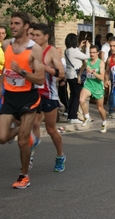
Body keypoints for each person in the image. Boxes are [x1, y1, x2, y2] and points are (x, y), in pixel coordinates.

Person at [0, 12, 45, 189]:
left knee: (22, 142)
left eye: (17, 23)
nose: (13, 26)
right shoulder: (5, 45)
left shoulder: (35, 49)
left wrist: (22, 72)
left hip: (29, 97)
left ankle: (24, 176)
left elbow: (40, 79)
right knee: (2, 137)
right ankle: (24, 131)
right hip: (10, 96)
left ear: (26, 26)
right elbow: (5, 70)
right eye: (11, 23)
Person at [30, 23, 66, 172]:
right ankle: (30, 153)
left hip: (48, 95)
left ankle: (60, 156)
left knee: (51, 129)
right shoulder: (30, 50)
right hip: (32, 93)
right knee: (33, 124)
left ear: (46, 37)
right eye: (33, 35)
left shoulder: (51, 52)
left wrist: (44, 67)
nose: (34, 38)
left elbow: (61, 73)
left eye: (37, 35)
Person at [79, 45, 107, 133]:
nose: (92, 54)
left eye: (94, 52)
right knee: (81, 100)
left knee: (100, 108)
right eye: (91, 52)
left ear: (98, 53)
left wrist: (93, 72)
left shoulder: (101, 63)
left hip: (98, 86)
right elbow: (83, 67)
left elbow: (102, 77)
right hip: (88, 85)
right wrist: (79, 76)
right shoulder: (87, 61)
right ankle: (87, 117)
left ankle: (104, 122)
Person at [64, 33, 90, 123]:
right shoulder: (74, 51)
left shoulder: (67, 50)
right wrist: (87, 48)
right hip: (76, 76)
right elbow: (87, 57)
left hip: (69, 76)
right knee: (76, 96)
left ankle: (70, 115)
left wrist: (79, 47)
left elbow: (75, 54)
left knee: (72, 96)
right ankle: (73, 117)